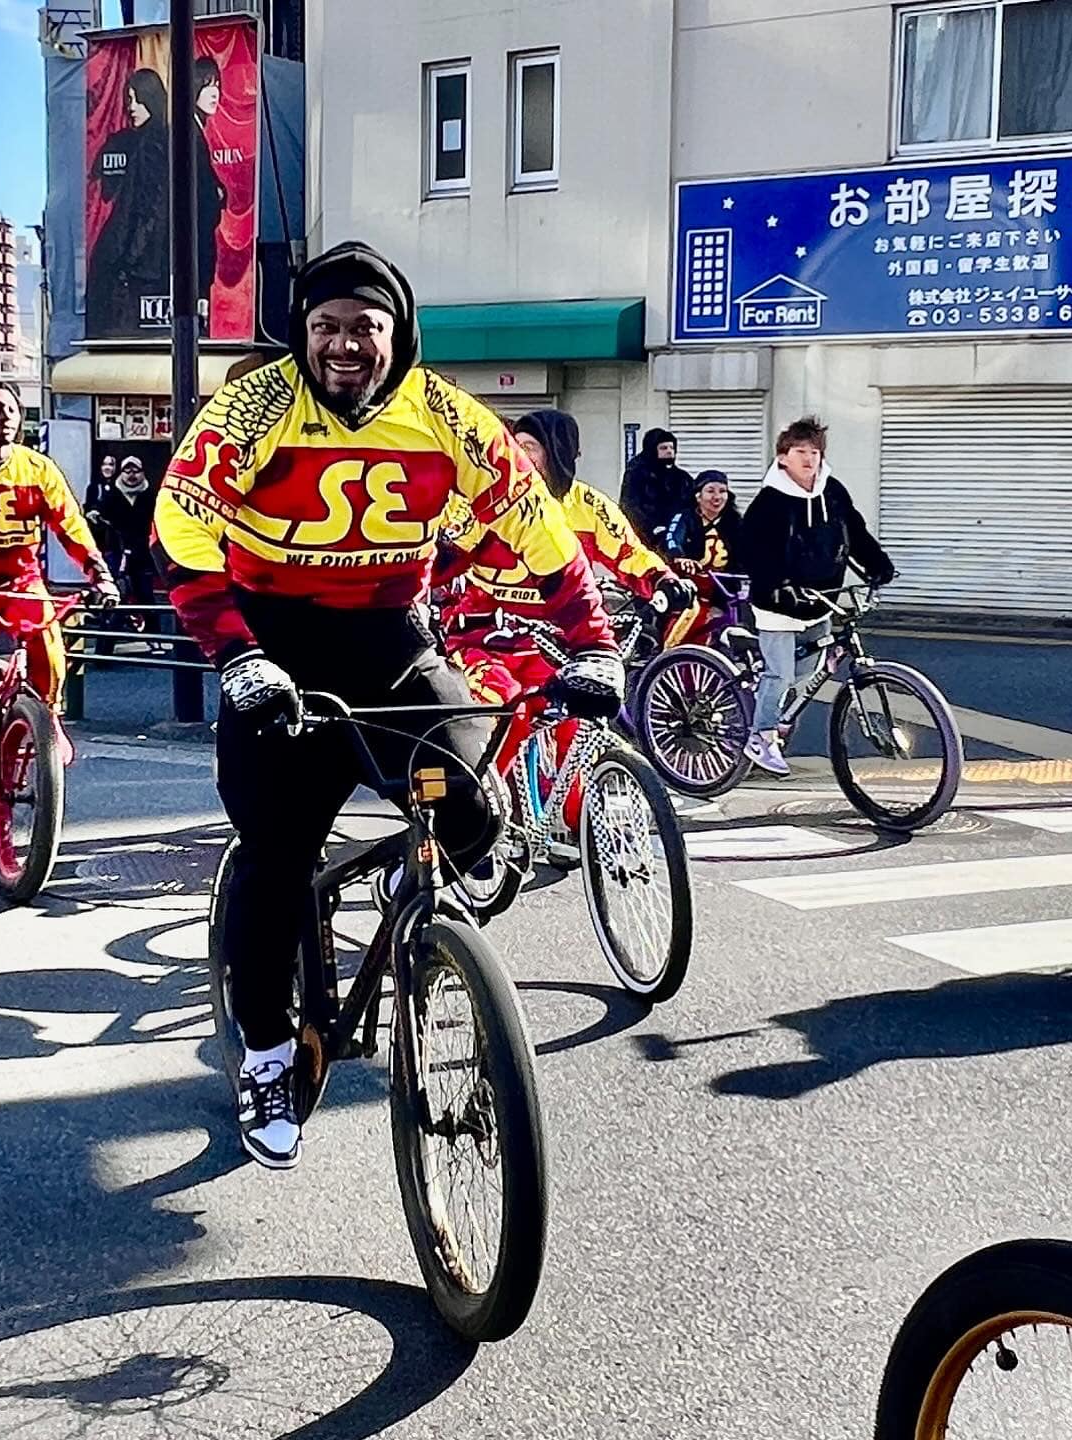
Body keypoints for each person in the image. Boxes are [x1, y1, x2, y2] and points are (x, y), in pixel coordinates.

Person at [152, 241, 622, 1169]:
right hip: (272, 646)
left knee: (473, 809)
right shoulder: (250, 408)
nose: (343, 346)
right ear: (301, 333)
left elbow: (533, 523)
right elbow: (181, 527)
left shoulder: (447, 415)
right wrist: (236, 656)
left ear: (396, 334)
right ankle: (268, 1048)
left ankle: (428, 916)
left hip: (387, 639)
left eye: (364, 328)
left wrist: (593, 641)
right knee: (277, 857)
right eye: (325, 327)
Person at [438, 409, 695, 851]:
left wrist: (665, 581)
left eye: (530, 448)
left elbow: (631, 554)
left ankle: (575, 819)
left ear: (558, 455)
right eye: (514, 445)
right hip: (486, 641)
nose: (518, 456)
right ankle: (473, 825)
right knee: (501, 716)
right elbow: (438, 562)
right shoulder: (486, 503)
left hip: (557, 644)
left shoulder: (588, 506)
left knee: (575, 724)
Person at [0, 380, 120, 843]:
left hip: (22, 586)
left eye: (14, 411)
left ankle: (43, 725)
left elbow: (70, 525)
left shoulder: (37, 468)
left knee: (51, 660)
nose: (6, 419)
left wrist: (100, 576)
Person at [742, 416, 895, 778]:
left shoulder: (833, 491)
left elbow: (854, 532)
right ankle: (760, 736)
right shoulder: (769, 502)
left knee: (806, 672)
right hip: (777, 604)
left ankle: (768, 708)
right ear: (783, 458)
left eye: (814, 452)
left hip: (821, 598)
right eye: (800, 452)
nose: (809, 459)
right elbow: (754, 552)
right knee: (779, 675)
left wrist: (877, 565)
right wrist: (778, 584)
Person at [87, 67, 170, 337]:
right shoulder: (141, 140)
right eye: (127, 99)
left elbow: (150, 207)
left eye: (136, 99)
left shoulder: (155, 142)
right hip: (140, 262)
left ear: (151, 98)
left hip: (140, 265)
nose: (130, 107)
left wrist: (130, 259)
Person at [662, 469, 744, 646]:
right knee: (688, 623)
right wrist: (680, 558)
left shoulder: (735, 521)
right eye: (711, 491)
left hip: (723, 586)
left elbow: (749, 549)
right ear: (698, 496)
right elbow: (672, 540)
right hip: (691, 585)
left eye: (722, 491)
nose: (717, 497)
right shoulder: (685, 517)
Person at [90, 454, 159, 623]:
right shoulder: (111, 495)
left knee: (145, 593)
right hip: (116, 551)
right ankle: (106, 639)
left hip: (143, 552)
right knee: (115, 593)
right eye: (127, 471)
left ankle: (154, 638)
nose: (131, 475)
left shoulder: (151, 496)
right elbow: (97, 516)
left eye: (136, 471)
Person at [194, 55, 228, 326]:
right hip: (192, 245)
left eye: (217, 84)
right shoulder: (189, 135)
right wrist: (215, 193)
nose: (215, 92)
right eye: (207, 85)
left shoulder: (197, 131)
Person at [620, 427, 694, 549]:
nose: (670, 451)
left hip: (677, 539)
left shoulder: (683, 478)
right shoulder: (637, 474)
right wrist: (651, 529)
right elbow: (629, 506)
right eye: (664, 448)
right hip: (644, 539)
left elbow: (691, 507)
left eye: (672, 448)